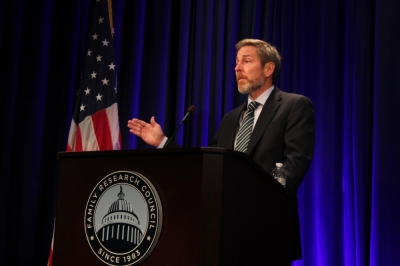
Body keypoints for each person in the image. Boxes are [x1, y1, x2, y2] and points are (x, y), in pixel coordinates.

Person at [128, 38, 315, 195]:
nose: (237, 68)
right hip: (225, 219)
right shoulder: (230, 119)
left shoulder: (294, 106)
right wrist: (162, 142)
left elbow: (295, 162)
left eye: (246, 61)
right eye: (236, 62)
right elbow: (206, 164)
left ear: (268, 69)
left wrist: (263, 193)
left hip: (267, 216)